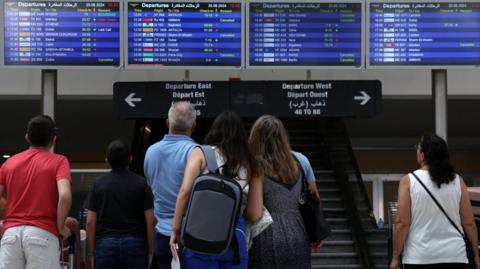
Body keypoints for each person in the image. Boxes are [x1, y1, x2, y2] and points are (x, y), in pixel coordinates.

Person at [170, 111, 259, 269]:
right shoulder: (251, 161)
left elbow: (184, 192)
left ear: (215, 130)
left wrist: (175, 230)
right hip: (234, 236)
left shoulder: (200, 153)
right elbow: (255, 212)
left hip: (199, 231)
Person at [390, 133, 480, 269]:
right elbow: (469, 222)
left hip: (419, 257)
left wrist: (395, 257)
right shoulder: (457, 181)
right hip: (455, 256)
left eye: (418, 149)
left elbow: (402, 223)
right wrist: (476, 254)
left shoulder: (408, 181)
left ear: (422, 154)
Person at [246, 115, 322, 269]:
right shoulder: (300, 161)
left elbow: (255, 213)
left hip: (267, 236)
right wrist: (317, 231)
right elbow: (315, 198)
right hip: (299, 233)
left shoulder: (256, 167)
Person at [0, 115, 72, 269]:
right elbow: (65, 196)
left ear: (27, 137)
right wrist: (60, 227)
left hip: (10, 235)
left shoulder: (9, 164)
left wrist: (9, 214)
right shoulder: (59, 161)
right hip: (42, 234)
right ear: (53, 140)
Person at [85, 139, 155, 269]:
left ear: (107, 160)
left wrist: (91, 254)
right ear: (130, 159)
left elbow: (90, 222)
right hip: (136, 244)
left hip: (105, 245)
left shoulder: (97, 184)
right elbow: (150, 220)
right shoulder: (141, 183)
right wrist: (151, 251)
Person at [144, 101, 197, 269]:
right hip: (191, 234)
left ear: (167, 123)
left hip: (162, 234)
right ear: (194, 126)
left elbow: (151, 187)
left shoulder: (151, 152)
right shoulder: (195, 152)